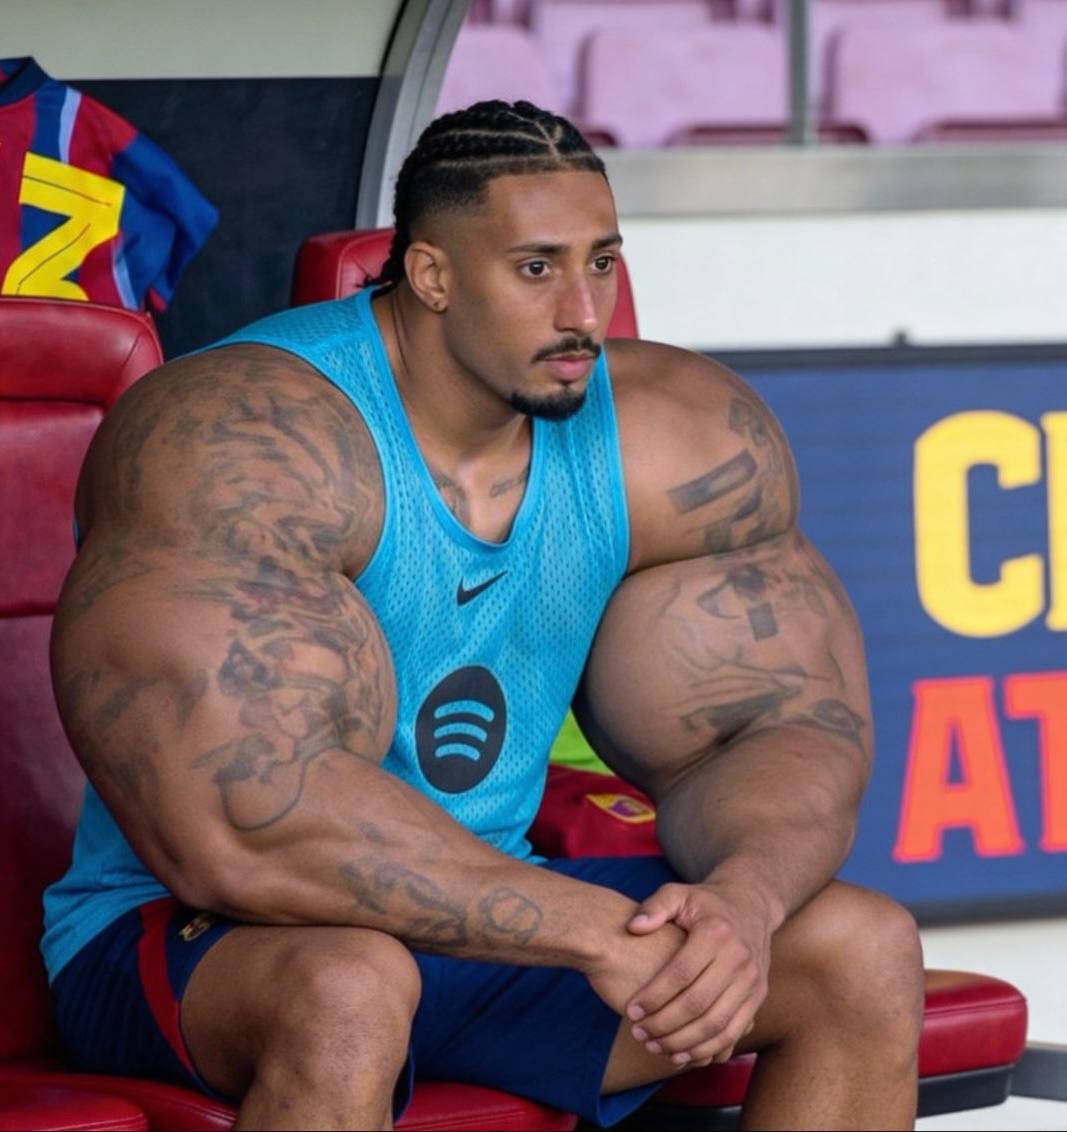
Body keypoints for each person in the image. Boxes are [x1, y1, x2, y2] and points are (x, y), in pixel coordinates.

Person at [42, 100, 924, 1131]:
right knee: (349, 990)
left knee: (856, 949)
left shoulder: (674, 441)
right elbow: (241, 827)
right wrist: (583, 928)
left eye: (601, 262)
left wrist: (745, 898)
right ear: (431, 275)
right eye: (536, 268)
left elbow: (777, 727)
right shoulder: (242, 436)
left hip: (496, 913)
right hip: (203, 935)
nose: (583, 312)